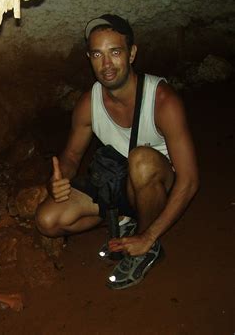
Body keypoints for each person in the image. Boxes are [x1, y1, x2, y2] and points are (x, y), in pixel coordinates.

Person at [35, 14, 199, 289]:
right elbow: (72, 157)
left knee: (141, 161)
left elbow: (190, 180)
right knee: (47, 220)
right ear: (89, 57)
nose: (106, 64)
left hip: (155, 184)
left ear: (132, 53)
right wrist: (59, 179)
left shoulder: (162, 100)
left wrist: (149, 236)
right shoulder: (89, 103)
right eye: (97, 54)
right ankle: (127, 221)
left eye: (115, 52)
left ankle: (146, 245)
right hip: (117, 185)